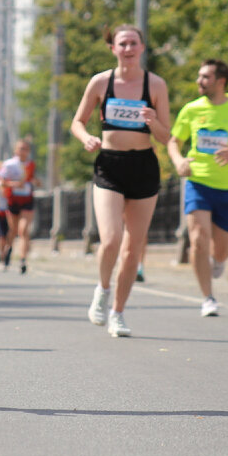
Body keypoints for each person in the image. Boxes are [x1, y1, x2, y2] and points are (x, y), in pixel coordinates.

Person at [70, 23, 172, 337]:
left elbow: (167, 137)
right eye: (122, 44)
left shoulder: (155, 85)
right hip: (109, 166)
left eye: (133, 43)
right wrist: (86, 138)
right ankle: (102, 291)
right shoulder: (101, 82)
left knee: (133, 248)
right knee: (111, 239)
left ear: (142, 48)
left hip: (143, 166)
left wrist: (154, 121)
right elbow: (78, 121)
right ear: (113, 49)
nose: (127, 49)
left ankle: (118, 312)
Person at [167, 59, 228, 317]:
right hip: (199, 183)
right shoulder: (191, 110)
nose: (199, 81)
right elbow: (173, 142)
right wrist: (179, 161)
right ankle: (207, 298)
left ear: (221, 81)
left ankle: (219, 261)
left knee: (221, 249)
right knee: (198, 239)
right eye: (199, 76)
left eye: (205, 77)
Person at [0, 139, 37, 274]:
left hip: (27, 199)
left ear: (29, 151)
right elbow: (1, 182)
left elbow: (31, 179)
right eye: (20, 148)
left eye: (25, 149)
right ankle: (8, 251)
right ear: (16, 150)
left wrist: (35, 182)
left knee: (24, 230)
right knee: (13, 230)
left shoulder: (31, 164)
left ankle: (23, 260)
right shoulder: (9, 164)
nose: (23, 151)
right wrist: (14, 184)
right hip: (13, 200)